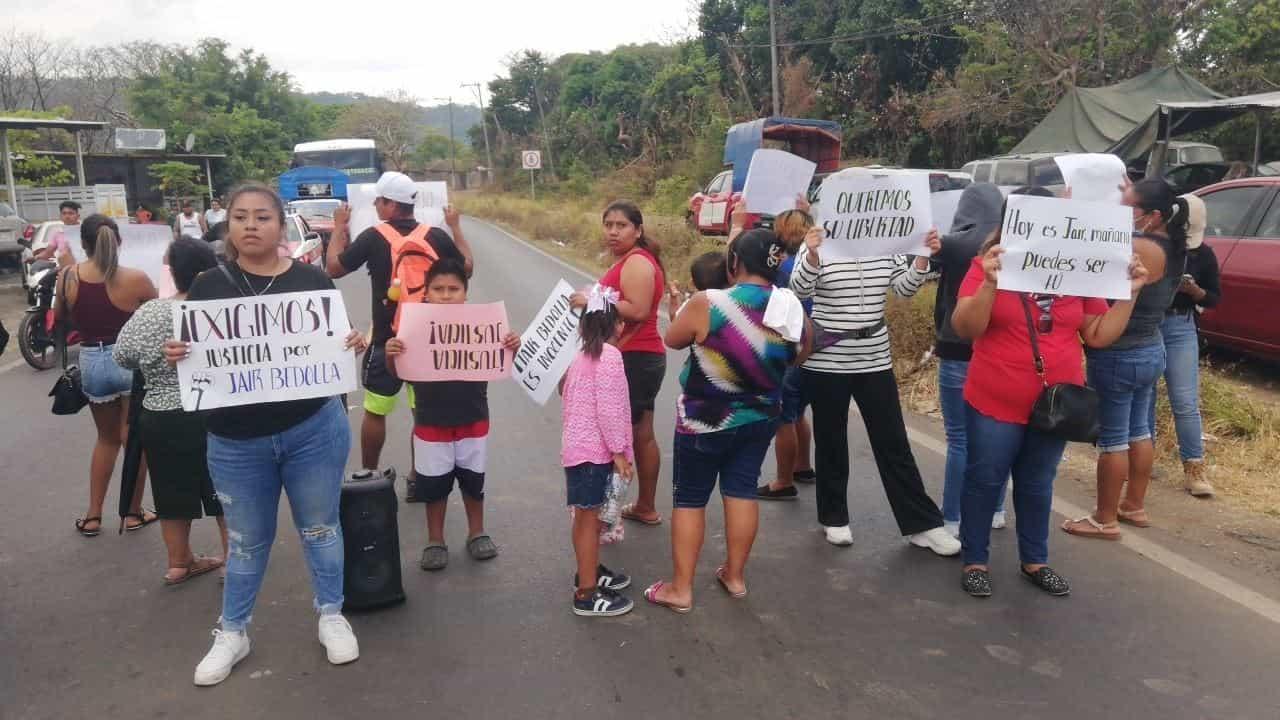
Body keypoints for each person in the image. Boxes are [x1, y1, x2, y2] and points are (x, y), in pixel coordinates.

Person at [164, 181, 368, 686]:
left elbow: (331, 345)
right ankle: (233, 631)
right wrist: (179, 354)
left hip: (313, 430)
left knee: (320, 528)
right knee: (248, 541)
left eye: (262, 217)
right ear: (227, 225)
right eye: (240, 217)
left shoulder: (315, 283)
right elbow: (196, 354)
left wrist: (352, 343)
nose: (251, 225)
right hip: (235, 440)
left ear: (281, 226)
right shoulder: (208, 287)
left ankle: (331, 614)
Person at [951, 186, 1149, 598]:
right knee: (985, 479)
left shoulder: (1081, 273)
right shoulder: (987, 265)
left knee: (1038, 481)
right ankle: (976, 560)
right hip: (995, 397)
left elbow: (1097, 335)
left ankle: (1035, 560)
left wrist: (1129, 296)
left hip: (1054, 402)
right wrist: (989, 284)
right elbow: (965, 328)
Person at [789, 173, 960, 555]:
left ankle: (922, 524)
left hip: (875, 356)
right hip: (828, 359)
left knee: (893, 441)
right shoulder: (817, 241)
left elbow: (903, 289)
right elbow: (799, 290)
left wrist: (920, 258)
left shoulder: (887, 244)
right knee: (831, 441)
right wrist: (813, 254)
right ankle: (834, 517)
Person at [644, 229, 807, 613]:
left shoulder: (710, 301)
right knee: (742, 491)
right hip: (762, 416)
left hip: (705, 420)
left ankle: (680, 589)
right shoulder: (788, 305)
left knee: (690, 498)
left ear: (734, 263)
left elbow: (673, 339)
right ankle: (734, 576)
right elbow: (803, 350)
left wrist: (676, 313)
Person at [325, 171, 473, 473]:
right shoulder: (435, 235)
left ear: (391, 205)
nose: (377, 206)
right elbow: (467, 268)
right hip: (428, 341)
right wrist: (456, 227)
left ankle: (369, 473)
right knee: (423, 413)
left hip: (386, 341)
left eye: (379, 201)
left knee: (375, 411)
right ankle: (421, 476)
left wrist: (339, 227)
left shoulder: (373, 236)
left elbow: (334, 268)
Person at [1064, 178, 1186, 540]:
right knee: (1139, 430)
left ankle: (1104, 519)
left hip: (1119, 354)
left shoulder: (1139, 248)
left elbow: (1087, 248)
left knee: (1113, 440)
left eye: (1128, 207)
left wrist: (1068, 213)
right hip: (1150, 347)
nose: (1119, 211)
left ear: (1152, 216)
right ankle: (1133, 504)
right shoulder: (1170, 242)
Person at [384, 258, 520, 570]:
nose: (446, 295)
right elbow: (398, 372)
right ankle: (435, 539)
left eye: (453, 289)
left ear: (465, 294)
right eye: (439, 289)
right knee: (433, 484)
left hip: (473, 418)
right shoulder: (413, 328)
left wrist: (513, 343)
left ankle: (477, 532)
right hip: (431, 421)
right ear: (427, 293)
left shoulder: (483, 326)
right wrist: (392, 354)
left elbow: (503, 358)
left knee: (474, 480)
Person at [114, 238, 227, 585]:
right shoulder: (222, 313)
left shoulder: (150, 311)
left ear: (174, 274)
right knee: (226, 490)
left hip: (160, 416)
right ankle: (236, 559)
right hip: (214, 412)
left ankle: (179, 563)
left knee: (169, 489)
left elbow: (122, 356)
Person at [56, 214, 159, 537]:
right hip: (129, 361)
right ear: (120, 242)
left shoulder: (68, 277)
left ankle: (93, 515)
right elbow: (157, 316)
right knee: (134, 441)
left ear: (83, 244)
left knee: (106, 439)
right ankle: (132, 512)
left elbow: (60, 318)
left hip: (91, 361)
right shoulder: (137, 279)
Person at [571, 201, 667, 526]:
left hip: (637, 356)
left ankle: (613, 511)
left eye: (621, 225)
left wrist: (593, 300)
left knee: (626, 436)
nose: (613, 231)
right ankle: (644, 506)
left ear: (638, 230)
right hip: (639, 355)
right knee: (641, 434)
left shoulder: (638, 262)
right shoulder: (628, 260)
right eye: (608, 224)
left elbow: (638, 309)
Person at [928, 183, 1009, 535]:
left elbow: (921, 258)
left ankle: (953, 517)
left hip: (957, 347)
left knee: (960, 438)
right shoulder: (1011, 246)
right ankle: (995, 510)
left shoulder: (955, 244)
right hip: (998, 349)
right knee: (999, 436)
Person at [560, 284, 636, 617]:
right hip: (595, 455)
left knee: (584, 520)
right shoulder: (610, 357)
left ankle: (588, 572)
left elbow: (568, 396)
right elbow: (608, 409)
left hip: (577, 453)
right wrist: (619, 452)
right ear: (617, 326)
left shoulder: (581, 357)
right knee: (589, 522)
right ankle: (587, 595)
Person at [1149, 194, 1219, 497]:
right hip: (1149, 323)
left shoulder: (1204, 254)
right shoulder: (1153, 245)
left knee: (1185, 402)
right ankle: (1141, 458)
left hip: (1180, 324)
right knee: (1144, 394)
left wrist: (1195, 291)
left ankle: (1194, 468)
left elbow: (1214, 298)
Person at [755, 202, 818, 501]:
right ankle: (803, 466)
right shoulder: (815, 260)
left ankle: (783, 480)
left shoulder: (782, 268)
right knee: (798, 412)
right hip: (818, 343)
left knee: (784, 417)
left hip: (793, 344)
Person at [32, 200, 80, 266]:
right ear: (60, 216)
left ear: (78, 216)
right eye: (64, 213)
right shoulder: (58, 234)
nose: (67, 216)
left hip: (85, 269)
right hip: (65, 270)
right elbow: (47, 253)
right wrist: (35, 258)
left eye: (71, 213)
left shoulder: (85, 231)